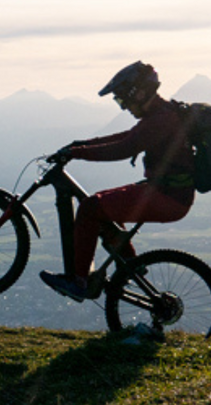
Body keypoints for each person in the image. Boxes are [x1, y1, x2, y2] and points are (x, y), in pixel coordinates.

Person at [40, 61, 195, 302]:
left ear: (140, 93)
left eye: (123, 100)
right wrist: (79, 145)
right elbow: (128, 136)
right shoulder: (161, 114)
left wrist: (78, 153)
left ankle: (78, 282)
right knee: (103, 204)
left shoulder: (161, 120)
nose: (124, 107)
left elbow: (124, 148)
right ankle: (130, 265)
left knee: (90, 207)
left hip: (168, 197)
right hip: (166, 192)